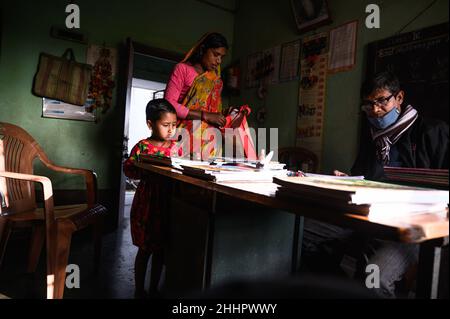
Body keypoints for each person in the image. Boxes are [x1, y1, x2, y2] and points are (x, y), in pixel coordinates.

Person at [303, 71, 449, 298]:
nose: (376, 110)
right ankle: (342, 290)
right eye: (369, 104)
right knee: (300, 236)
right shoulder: (374, 138)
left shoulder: (432, 132)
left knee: (374, 279)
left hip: (411, 225)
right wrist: (348, 180)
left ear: (399, 98)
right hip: (368, 217)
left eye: (382, 101)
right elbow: (361, 178)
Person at [123, 98, 181, 298]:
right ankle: (139, 290)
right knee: (145, 249)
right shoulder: (142, 147)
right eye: (166, 125)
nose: (171, 129)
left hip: (168, 203)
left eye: (174, 125)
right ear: (150, 124)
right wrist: (141, 166)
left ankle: (155, 288)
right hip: (147, 204)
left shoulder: (176, 148)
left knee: (161, 251)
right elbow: (128, 169)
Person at [164, 32, 228, 160]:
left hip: (209, 142)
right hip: (183, 138)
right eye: (215, 54)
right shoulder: (182, 69)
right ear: (203, 49)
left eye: (222, 57)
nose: (219, 61)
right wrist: (204, 115)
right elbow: (169, 105)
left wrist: (227, 116)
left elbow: (214, 111)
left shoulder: (215, 81)